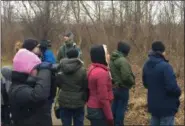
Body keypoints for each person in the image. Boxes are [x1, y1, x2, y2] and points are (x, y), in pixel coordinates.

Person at [9, 39, 53, 126]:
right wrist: (45, 71)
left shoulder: (27, 83)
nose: (38, 71)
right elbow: (40, 95)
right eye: (36, 68)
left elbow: (47, 96)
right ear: (28, 68)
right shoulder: (18, 90)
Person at [142, 41, 181, 126]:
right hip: (167, 108)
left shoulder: (146, 65)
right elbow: (172, 87)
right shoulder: (166, 67)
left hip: (153, 106)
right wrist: (179, 91)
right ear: (162, 52)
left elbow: (145, 84)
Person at [56, 48, 88, 126]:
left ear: (67, 56)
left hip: (64, 99)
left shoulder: (61, 68)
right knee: (79, 122)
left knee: (66, 122)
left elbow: (58, 83)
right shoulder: (83, 70)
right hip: (78, 100)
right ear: (77, 56)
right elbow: (85, 86)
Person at [86, 44, 114, 126]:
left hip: (92, 107)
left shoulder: (92, 68)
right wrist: (110, 117)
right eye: (107, 53)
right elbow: (103, 98)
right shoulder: (101, 73)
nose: (109, 55)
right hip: (99, 110)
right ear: (101, 56)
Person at [109, 41, 135, 126]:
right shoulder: (122, 60)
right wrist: (132, 81)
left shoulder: (112, 59)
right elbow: (126, 76)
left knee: (114, 108)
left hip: (114, 87)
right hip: (122, 89)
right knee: (121, 110)